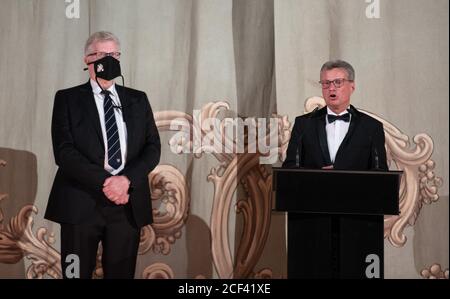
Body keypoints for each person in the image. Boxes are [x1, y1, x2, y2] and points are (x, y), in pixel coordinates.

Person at [45, 31, 161, 279]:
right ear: (88, 59)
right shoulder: (67, 99)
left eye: (115, 54)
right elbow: (64, 152)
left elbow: (152, 148)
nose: (110, 60)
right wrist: (106, 182)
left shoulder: (138, 100)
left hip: (126, 205)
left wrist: (125, 181)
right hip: (80, 204)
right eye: (103, 55)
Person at [282, 60, 388, 278]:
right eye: (326, 83)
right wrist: (320, 179)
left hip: (357, 227)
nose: (331, 88)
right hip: (312, 227)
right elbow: (290, 169)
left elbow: (381, 177)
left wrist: (343, 180)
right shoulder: (303, 124)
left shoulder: (371, 127)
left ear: (352, 86)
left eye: (337, 82)